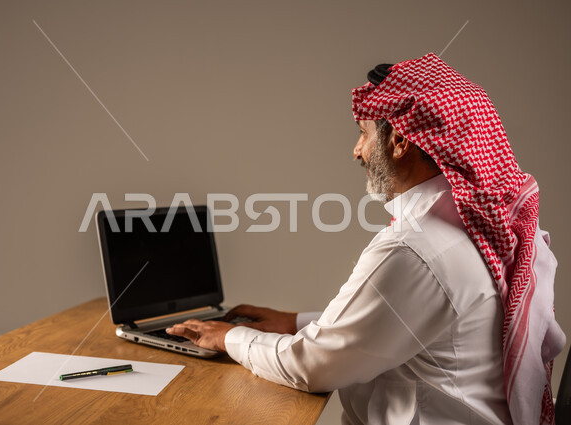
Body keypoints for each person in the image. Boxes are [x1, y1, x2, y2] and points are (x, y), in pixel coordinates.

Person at [167, 53, 566, 425]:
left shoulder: (415, 250)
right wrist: (294, 322)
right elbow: (406, 321)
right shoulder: (470, 228)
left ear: (400, 141)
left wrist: (228, 336)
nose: (356, 151)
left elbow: (311, 367)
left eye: (364, 133)